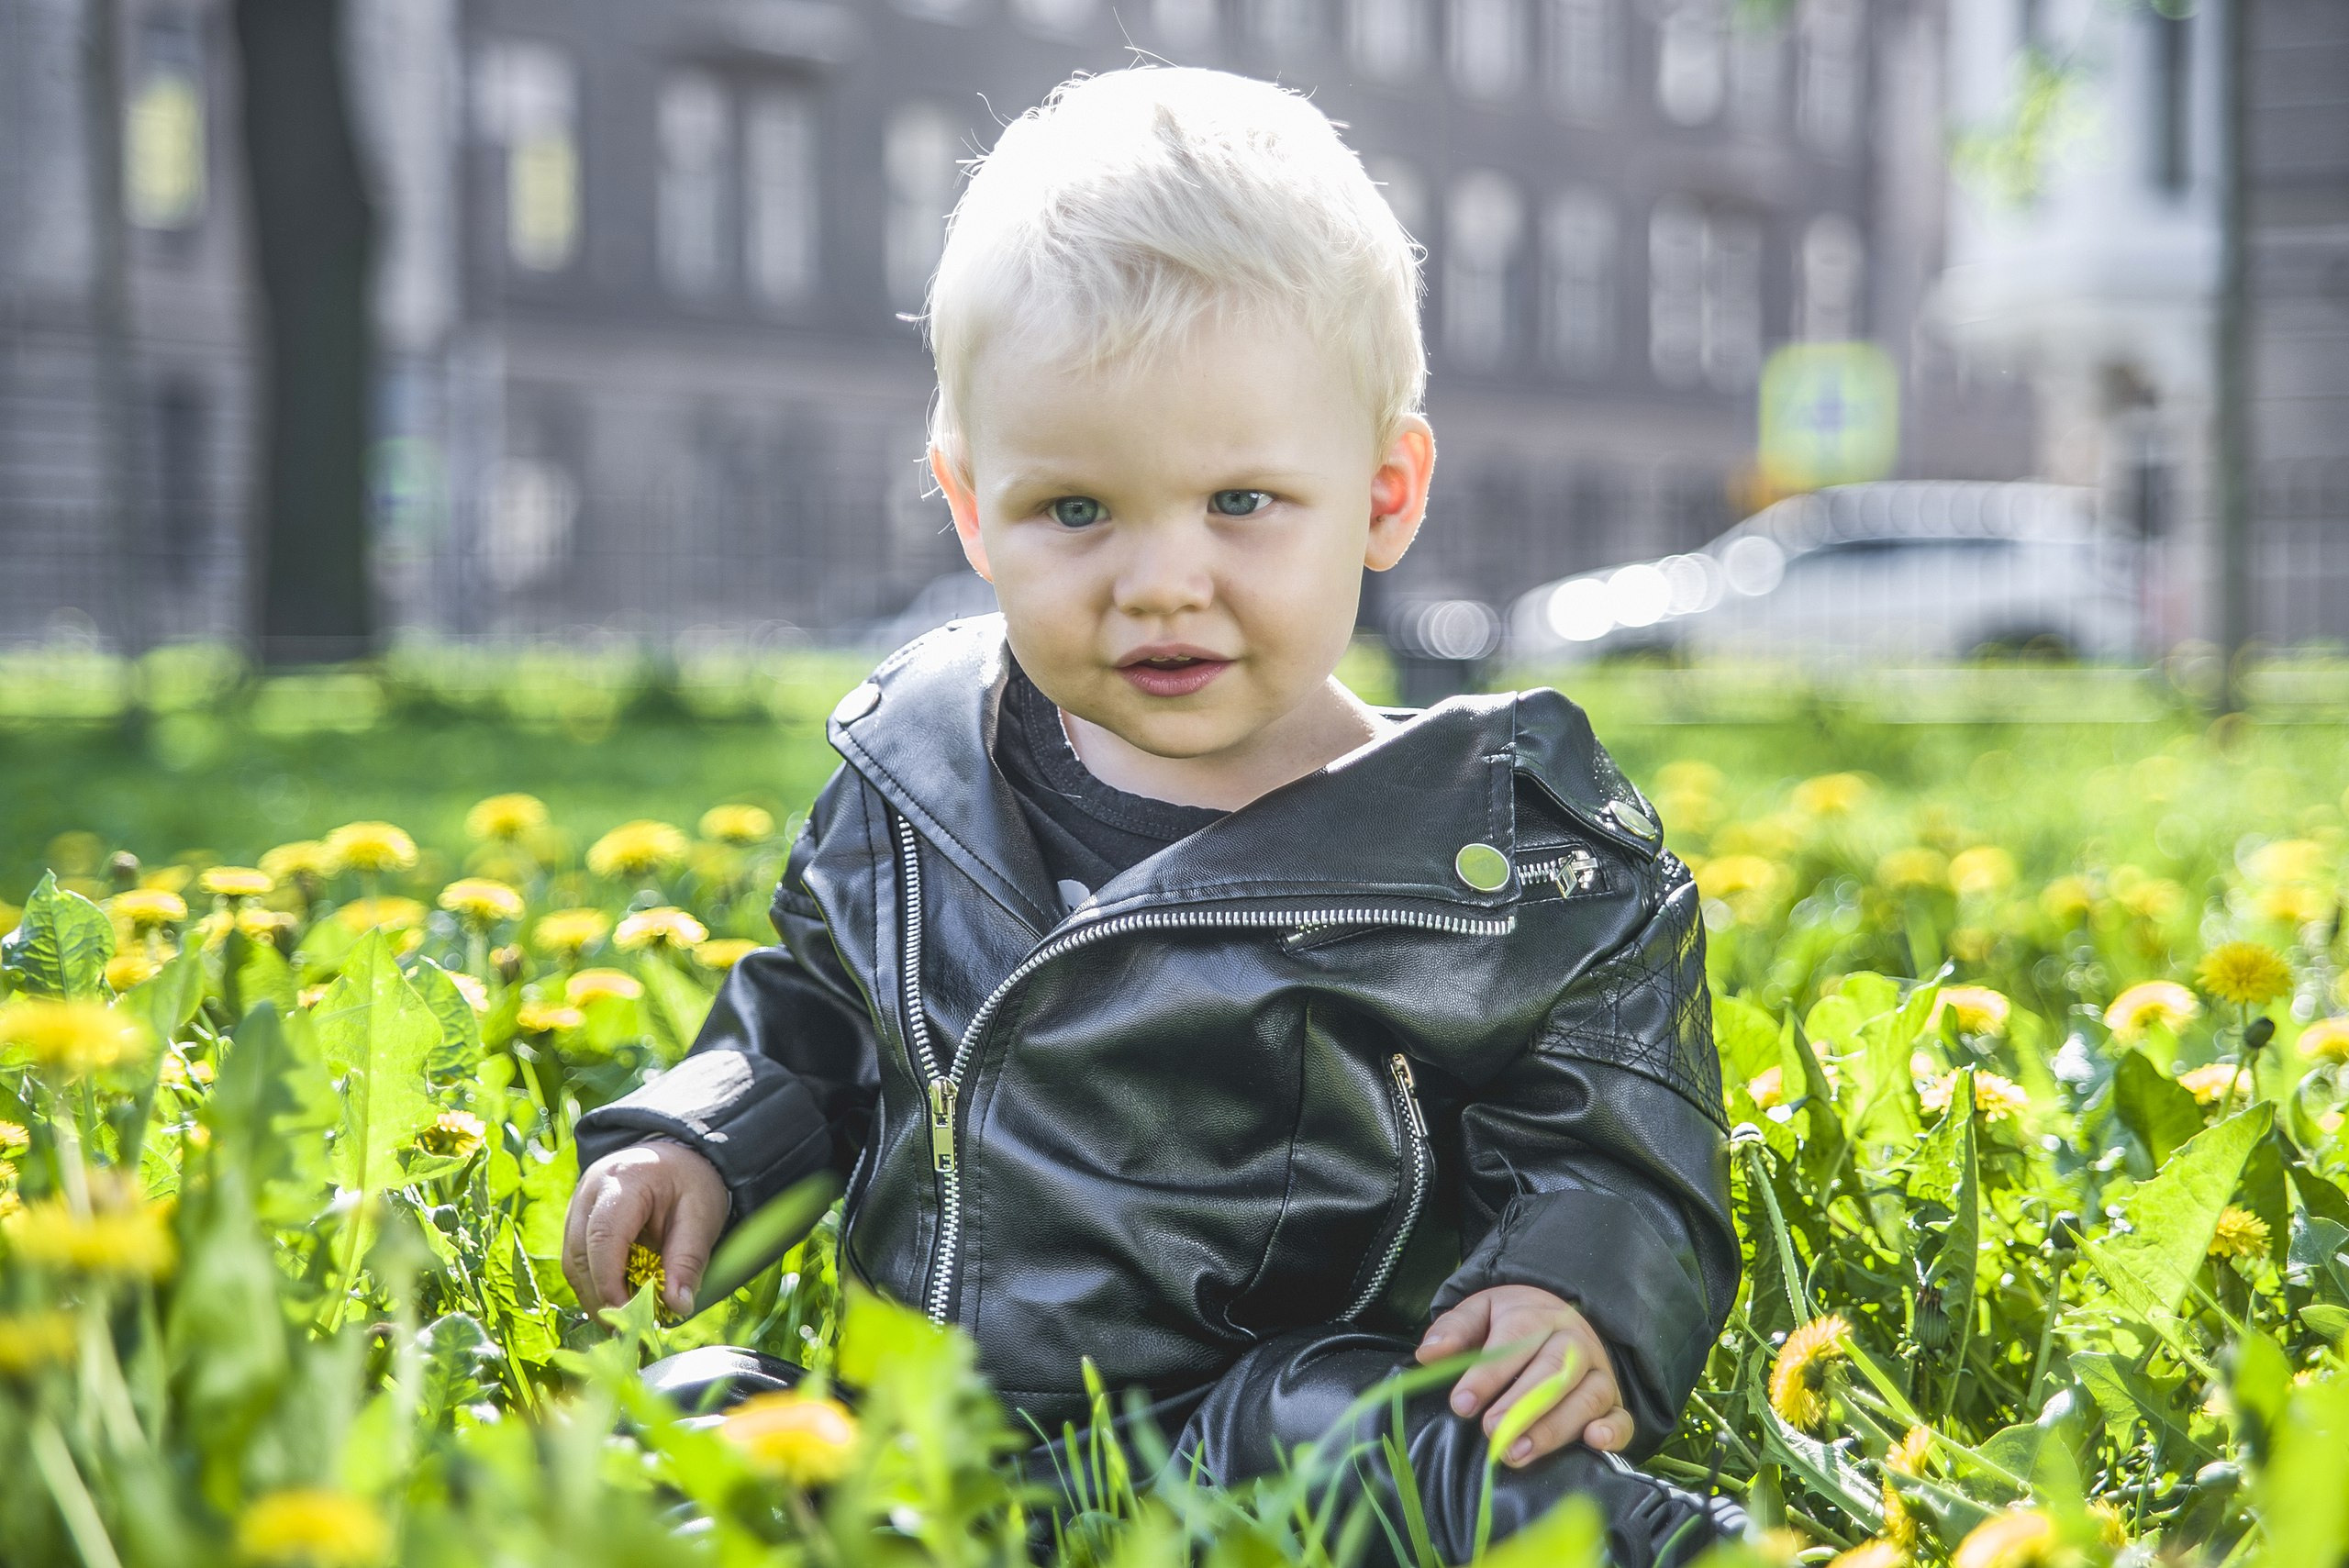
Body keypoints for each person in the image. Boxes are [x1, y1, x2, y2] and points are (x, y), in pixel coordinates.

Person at [562, 67, 1742, 1566]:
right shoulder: (917, 776)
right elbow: (811, 1022)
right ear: (971, 506)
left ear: (1385, 493)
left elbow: (1617, 1146)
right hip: (920, 1432)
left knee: (1397, 1439)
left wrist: (1571, 1288)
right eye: (1077, 510)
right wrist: (703, 1139)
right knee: (682, 1419)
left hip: (1243, 1439)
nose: (1163, 581)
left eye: (1241, 502)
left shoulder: (1497, 858)